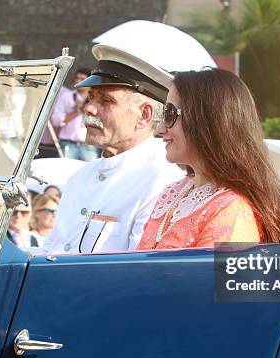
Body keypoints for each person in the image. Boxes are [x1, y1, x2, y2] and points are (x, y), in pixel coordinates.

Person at [33, 44, 183, 255]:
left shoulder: (162, 183)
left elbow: (139, 270)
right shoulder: (81, 177)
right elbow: (52, 249)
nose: (89, 108)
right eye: (91, 97)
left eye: (107, 101)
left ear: (144, 115)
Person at [137, 69, 280, 250]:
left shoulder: (232, 211)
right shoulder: (176, 193)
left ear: (207, 121)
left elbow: (210, 278)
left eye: (169, 114)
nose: (159, 129)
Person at [38, 68, 99, 161]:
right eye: (77, 78)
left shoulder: (96, 100)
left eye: (82, 79)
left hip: (89, 146)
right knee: (66, 173)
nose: (78, 81)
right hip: (68, 144)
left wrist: (85, 110)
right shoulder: (67, 97)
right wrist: (76, 111)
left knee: (92, 173)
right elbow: (56, 120)